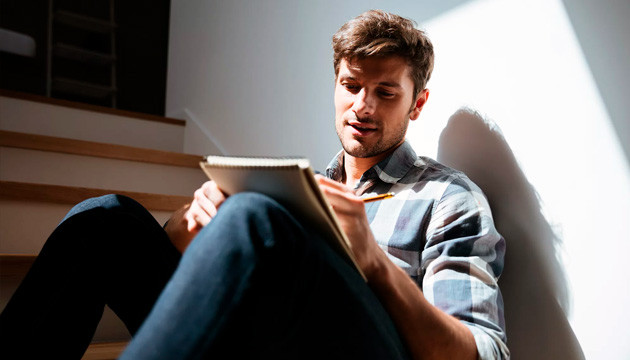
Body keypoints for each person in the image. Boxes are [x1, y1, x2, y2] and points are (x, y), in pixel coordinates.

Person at [0, 10, 509, 360]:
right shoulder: (302, 186)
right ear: (336, 85)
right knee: (107, 219)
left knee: (254, 217)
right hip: (256, 334)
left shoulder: (446, 197)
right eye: (352, 86)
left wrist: (374, 264)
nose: (363, 106)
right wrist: (191, 224)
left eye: (385, 92)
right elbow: (184, 263)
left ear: (416, 104)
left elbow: (483, 352)